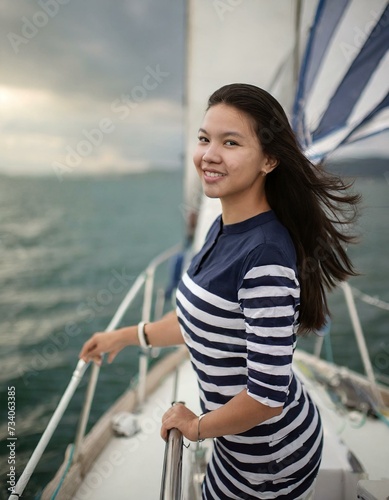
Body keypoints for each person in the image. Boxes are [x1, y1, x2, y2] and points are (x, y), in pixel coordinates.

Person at [79, 83, 360, 499]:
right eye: (204, 139)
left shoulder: (264, 256)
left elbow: (267, 398)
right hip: (237, 448)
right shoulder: (222, 226)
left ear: (269, 160)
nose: (209, 154)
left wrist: (195, 427)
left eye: (230, 142)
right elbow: (199, 319)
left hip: (270, 462)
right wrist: (125, 336)